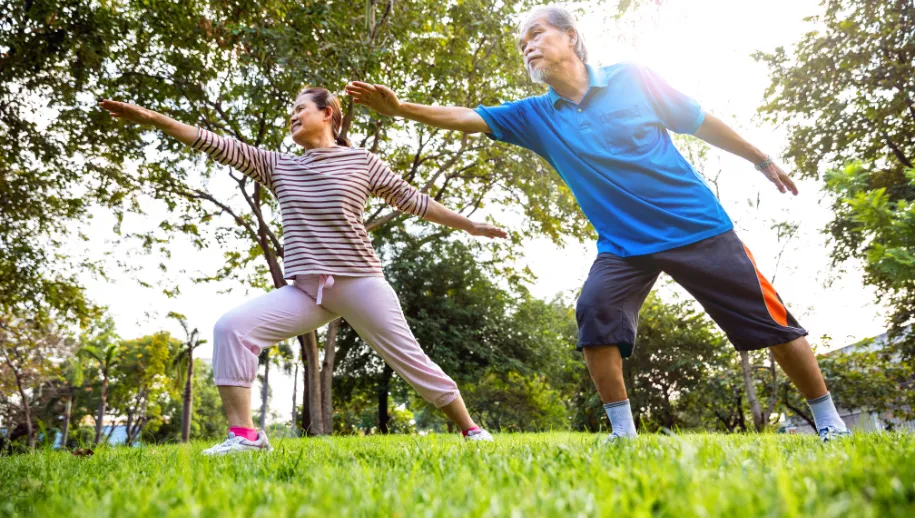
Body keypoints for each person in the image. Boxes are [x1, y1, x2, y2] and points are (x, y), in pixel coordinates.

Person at [346, 6, 851, 443]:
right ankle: (623, 433)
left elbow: (702, 121)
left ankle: (830, 421)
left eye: (537, 35)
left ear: (571, 38)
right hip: (624, 246)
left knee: (772, 323)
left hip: (697, 227)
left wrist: (761, 159)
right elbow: (467, 116)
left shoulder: (634, 77)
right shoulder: (535, 116)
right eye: (522, 44)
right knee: (594, 311)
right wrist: (401, 109)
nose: (528, 48)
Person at [99, 86, 503, 454]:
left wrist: (469, 224)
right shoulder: (278, 166)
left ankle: (471, 430)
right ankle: (245, 438)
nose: (291, 116)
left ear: (328, 114)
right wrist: (155, 119)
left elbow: (413, 200)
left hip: (360, 281)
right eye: (289, 112)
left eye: (299, 109)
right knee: (232, 329)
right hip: (309, 290)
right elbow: (212, 143)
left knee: (410, 361)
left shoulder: (360, 161)